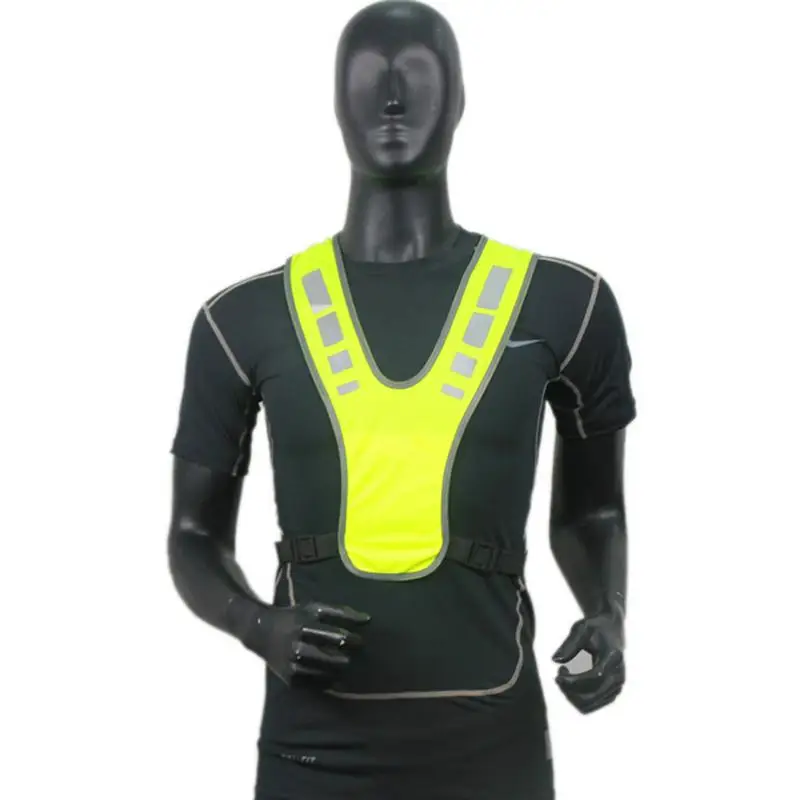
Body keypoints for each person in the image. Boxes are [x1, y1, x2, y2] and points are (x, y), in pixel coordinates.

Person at [168, 2, 636, 798]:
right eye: (366, 79)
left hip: (495, 749)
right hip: (314, 753)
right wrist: (257, 625)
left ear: (460, 99)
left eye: (419, 76)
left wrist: (609, 614)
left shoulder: (566, 304)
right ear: (333, 102)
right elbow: (191, 535)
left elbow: (592, 512)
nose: (392, 99)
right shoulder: (239, 321)